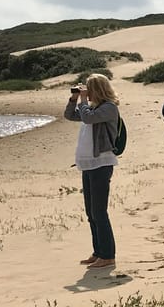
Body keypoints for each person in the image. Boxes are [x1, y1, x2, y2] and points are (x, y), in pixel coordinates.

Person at [64, 73, 120, 270]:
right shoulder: (92, 107)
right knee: (91, 212)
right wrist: (74, 99)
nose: (85, 91)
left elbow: (88, 119)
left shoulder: (109, 108)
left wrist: (83, 99)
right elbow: (70, 115)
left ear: (97, 89)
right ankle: (98, 252)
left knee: (99, 211)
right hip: (88, 164)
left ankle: (108, 255)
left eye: (89, 87)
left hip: (102, 164)